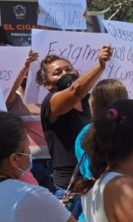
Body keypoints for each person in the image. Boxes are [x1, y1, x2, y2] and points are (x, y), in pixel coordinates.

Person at [36, 46, 111, 195]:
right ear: (48, 85)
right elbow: (75, 91)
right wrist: (100, 66)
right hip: (69, 189)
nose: (65, 74)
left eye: (68, 70)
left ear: (77, 73)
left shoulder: (90, 101)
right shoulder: (51, 103)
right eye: (57, 73)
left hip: (96, 183)